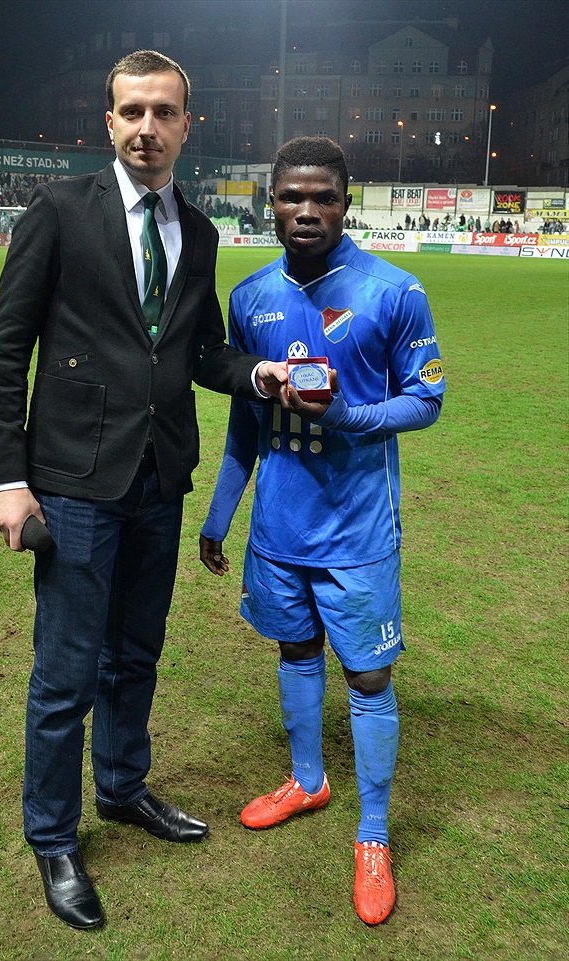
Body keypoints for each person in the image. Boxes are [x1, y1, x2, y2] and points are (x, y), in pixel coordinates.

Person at [0, 49, 286, 931]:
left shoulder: (200, 229)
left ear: (189, 124)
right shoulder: (60, 209)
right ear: (108, 123)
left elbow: (194, 352)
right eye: (132, 112)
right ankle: (53, 837)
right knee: (66, 673)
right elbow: (8, 350)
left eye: (164, 112)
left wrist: (257, 372)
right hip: (71, 481)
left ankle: (120, 788)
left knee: (136, 656)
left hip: (159, 477)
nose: (147, 126)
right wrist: (8, 478)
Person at [199, 137, 445, 926]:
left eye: (324, 199)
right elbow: (246, 420)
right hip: (278, 532)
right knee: (296, 651)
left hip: (359, 533)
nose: (306, 212)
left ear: (347, 202)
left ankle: (373, 835)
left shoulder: (394, 291)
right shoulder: (249, 298)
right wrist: (219, 513)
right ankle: (308, 779)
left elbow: (427, 399)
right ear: (268, 200)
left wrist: (348, 414)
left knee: (369, 679)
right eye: (290, 197)